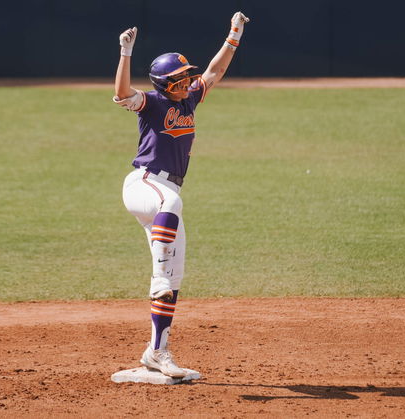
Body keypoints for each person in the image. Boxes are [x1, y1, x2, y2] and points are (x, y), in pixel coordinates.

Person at [112, 12, 249, 377]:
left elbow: (216, 72)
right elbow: (123, 94)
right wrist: (125, 54)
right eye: (178, 79)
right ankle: (158, 278)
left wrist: (233, 35)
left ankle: (157, 352)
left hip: (167, 193)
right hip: (144, 185)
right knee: (170, 204)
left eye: (187, 76)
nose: (187, 82)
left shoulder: (188, 101)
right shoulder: (153, 103)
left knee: (174, 278)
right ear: (162, 83)